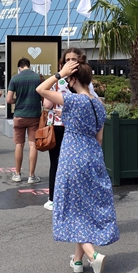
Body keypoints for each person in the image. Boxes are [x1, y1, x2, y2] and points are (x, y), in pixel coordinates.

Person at [36, 60, 117, 273]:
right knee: (84, 207)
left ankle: (92, 255)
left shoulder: (73, 100)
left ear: (72, 79)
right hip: (93, 156)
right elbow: (99, 138)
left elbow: (41, 90)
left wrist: (58, 74)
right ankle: (78, 261)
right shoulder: (98, 104)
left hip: (72, 156)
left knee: (72, 207)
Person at [42, 47, 95, 211]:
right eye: (68, 60)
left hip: (58, 125)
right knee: (74, 164)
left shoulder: (56, 81)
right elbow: (93, 101)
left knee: (56, 163)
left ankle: (53, 198)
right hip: (75, 127)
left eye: (73, 60)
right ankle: (75, 198)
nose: (71, 62)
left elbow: (47, 104)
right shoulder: (85, 82)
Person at [6, 58, 43, 184]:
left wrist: (18, 101)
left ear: (19, 67)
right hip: (34, 116)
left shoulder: (15, 79)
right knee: (33, 145)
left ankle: (17, 174)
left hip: (19, 115)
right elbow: (43, 97)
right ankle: (31, 176)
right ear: (29, 65)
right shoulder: (38, 78)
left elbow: (8, 99)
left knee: (19, 144)